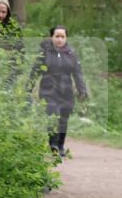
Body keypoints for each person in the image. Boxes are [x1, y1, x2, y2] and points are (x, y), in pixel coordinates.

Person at [30, 25, 88, 158]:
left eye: (62, 37)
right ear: (52, 37)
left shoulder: (71, 53)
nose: (60, 39)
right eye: (57, 36)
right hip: (48, 89)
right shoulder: (44, 52)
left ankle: (61, 145)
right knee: (52, 115)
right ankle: (53, 144)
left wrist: (82, 90)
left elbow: (78, 73)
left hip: (66, 90)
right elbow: (35, 71)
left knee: (63, 119)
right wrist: (29, 86)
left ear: (66, 38)